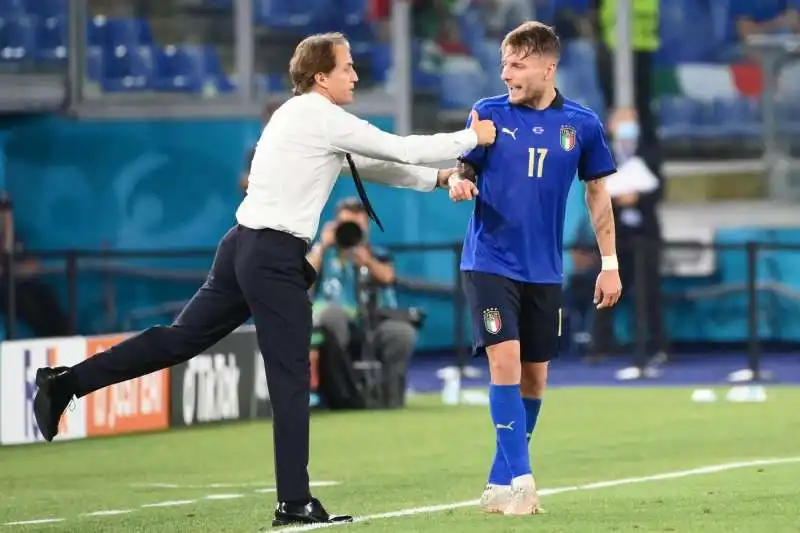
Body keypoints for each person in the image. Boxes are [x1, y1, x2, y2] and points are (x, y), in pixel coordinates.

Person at [31, 31, 497, 527]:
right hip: (272, 255)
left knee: (177, 341)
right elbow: (398, 147)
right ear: (321, 76)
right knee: (291, 379)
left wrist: (443, 177)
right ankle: (294, 503)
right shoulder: (320, 116)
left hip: (243, 246)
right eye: (347, 67)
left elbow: (372, 164)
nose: (356, 75)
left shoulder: (301, 117)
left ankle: (66, 382)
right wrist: (472, 139)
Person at [447, 21, 622, 516]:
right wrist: (459, 181)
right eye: (504, 64)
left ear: (549, 67)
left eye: (517, 65)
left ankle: (499, 482)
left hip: (544, 269)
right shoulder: (488, 113)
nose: (506, 74)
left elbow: (597, 194)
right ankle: (523, 482)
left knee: (534, 378)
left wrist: (610, 264)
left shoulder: (583, 124)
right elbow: (465, 163)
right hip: (489, 262)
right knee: (504, 361)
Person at [307, 198, 417, 409]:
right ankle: (344, 397)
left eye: (357, 225)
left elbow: (387, 277)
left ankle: (390, 402)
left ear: (367, 227)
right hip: (335, 326)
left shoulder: (376, 254)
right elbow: (303, 275)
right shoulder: (325, 253)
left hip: (373, 321)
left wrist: (366, 260)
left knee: (401, 333)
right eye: (346, 225)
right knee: (332, 316)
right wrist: (322, 245)